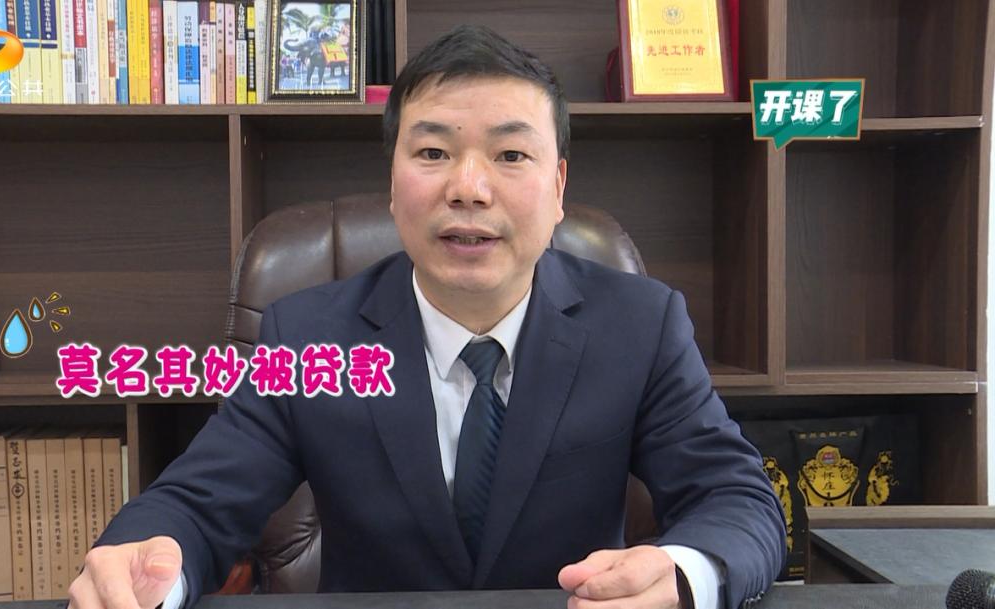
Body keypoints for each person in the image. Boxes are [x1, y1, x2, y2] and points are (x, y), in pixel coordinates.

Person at [70, 24, 786, 609]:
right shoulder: (309, 338)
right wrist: (148, 564)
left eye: (510, 153)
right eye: (434, 151)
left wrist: (687, 573)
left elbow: (737, 498)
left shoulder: (641, 325)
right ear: (393, 182)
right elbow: (196, 502)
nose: (468, 188)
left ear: (558, 186)